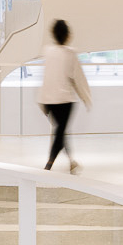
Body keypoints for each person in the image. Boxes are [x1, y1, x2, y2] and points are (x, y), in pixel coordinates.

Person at [39, 18, 92, 171]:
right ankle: (48, 166)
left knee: (60, 131)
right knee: (60, 132)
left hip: (48, 100)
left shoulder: (48, 51)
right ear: (67, 35)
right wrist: (86, 97)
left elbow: (47, 77)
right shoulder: (70, 53)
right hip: (64, 101)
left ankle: (71, 162)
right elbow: (78, 79)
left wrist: (42, 102)